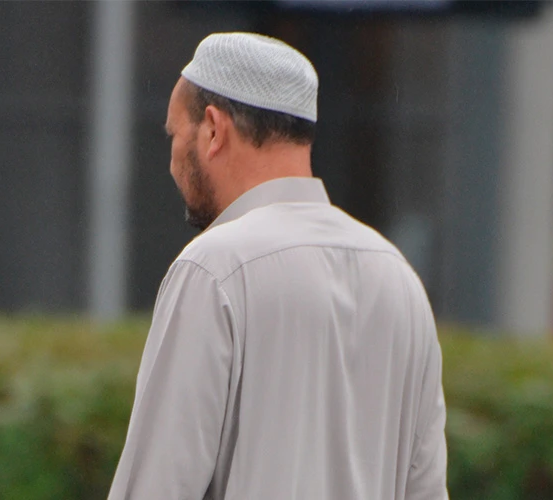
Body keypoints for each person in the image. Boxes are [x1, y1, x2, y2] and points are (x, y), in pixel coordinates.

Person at [108, 33, 448, 499]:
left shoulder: (214, 269)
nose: (170, 161)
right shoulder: (398, 278)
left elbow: (159, 486)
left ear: (213, 129)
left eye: (175, 134)